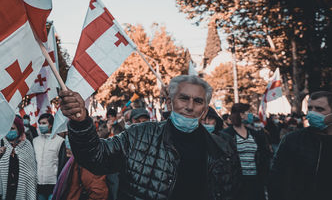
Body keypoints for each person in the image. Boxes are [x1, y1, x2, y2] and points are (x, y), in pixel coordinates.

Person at [60, 75, 241, 199]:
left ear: (205, 109)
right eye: (183, 98)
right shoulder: (139, 135)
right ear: (169, 103)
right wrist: (81, 122)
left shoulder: (223, 146)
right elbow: (96, 157)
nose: (190, 106)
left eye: (198, 101)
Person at [268, 91, 332, 200]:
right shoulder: (292, 140)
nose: (312, 113)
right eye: (310, 108)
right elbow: (277, 179)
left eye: (319, 109)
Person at [222, 103, 271, 200]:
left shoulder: (253, 133)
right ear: (240, 114)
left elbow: (263, 153)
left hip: (255, 180)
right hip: (238, 182)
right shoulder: (227, 134)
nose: (251, 115)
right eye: (248, 112)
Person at [0, 116, 36, 200]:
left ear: (19, 129)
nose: (9, 131)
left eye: (12, 128)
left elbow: (31, 172)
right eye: (7, 128)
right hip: (0, 191)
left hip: (20, 189)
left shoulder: (27, 145)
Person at [33, 113, 65, 200]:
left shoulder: (60, 141)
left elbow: (62, 163)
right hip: (39, 184)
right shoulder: (35, 141)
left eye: (44, 123)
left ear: (50, 125)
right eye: (40, 123)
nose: (41, 125)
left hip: (53, 184)